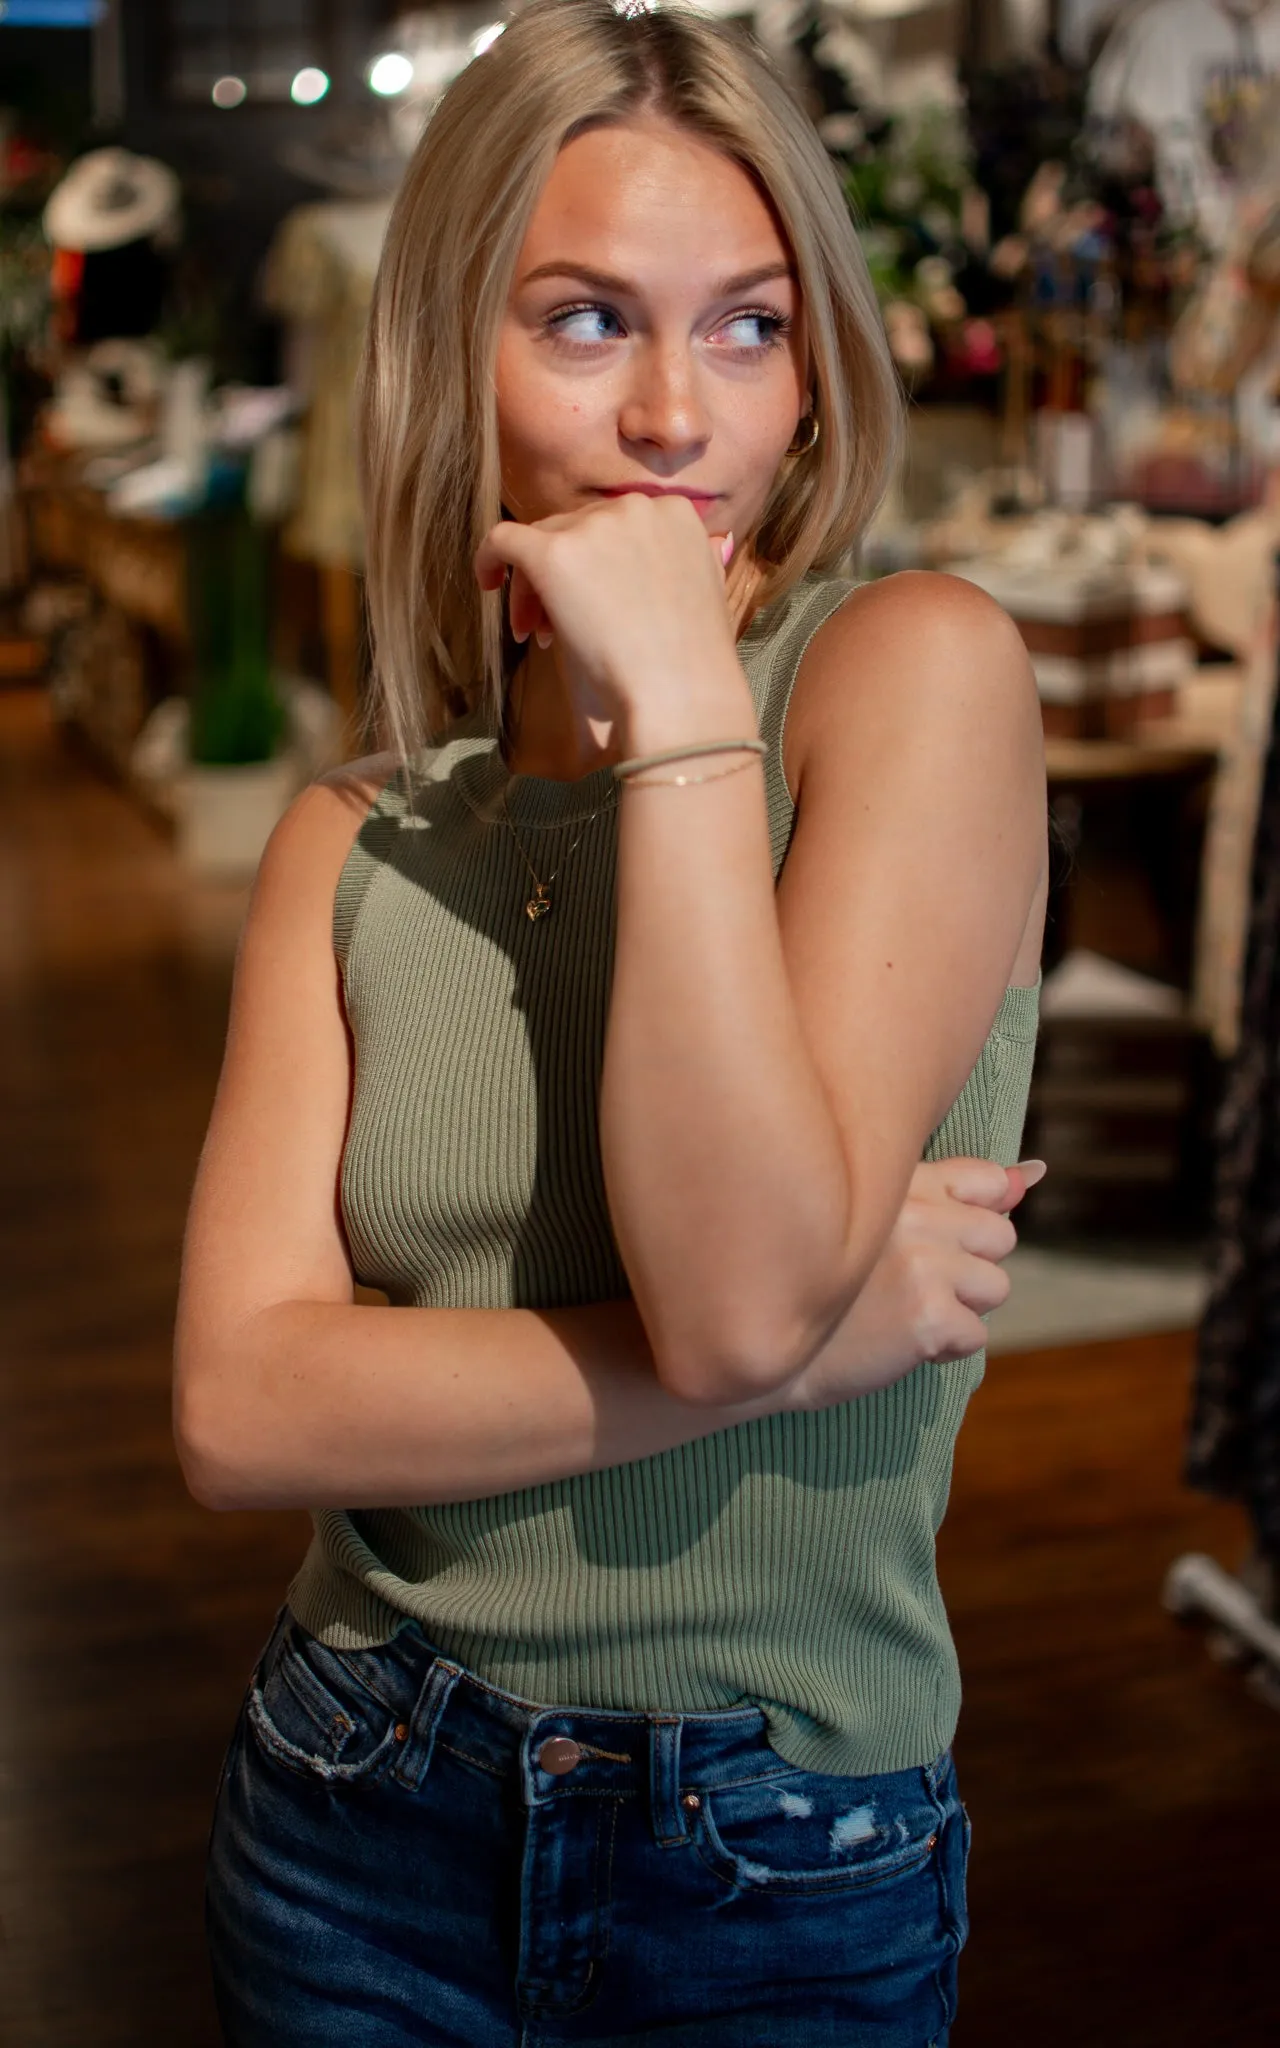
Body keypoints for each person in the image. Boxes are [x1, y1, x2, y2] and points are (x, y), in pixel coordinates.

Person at [175, 3, 1047, 2042]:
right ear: (445, 363)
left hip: (777, 1852)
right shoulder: (353, 836)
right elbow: (240, 1410)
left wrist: (679, 714)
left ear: (816, 373)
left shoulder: (906, 676)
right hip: (350, 1803)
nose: (677, 411)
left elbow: (729, 1284)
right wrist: (799, 1352)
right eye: (585, 322)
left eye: (747, 327)